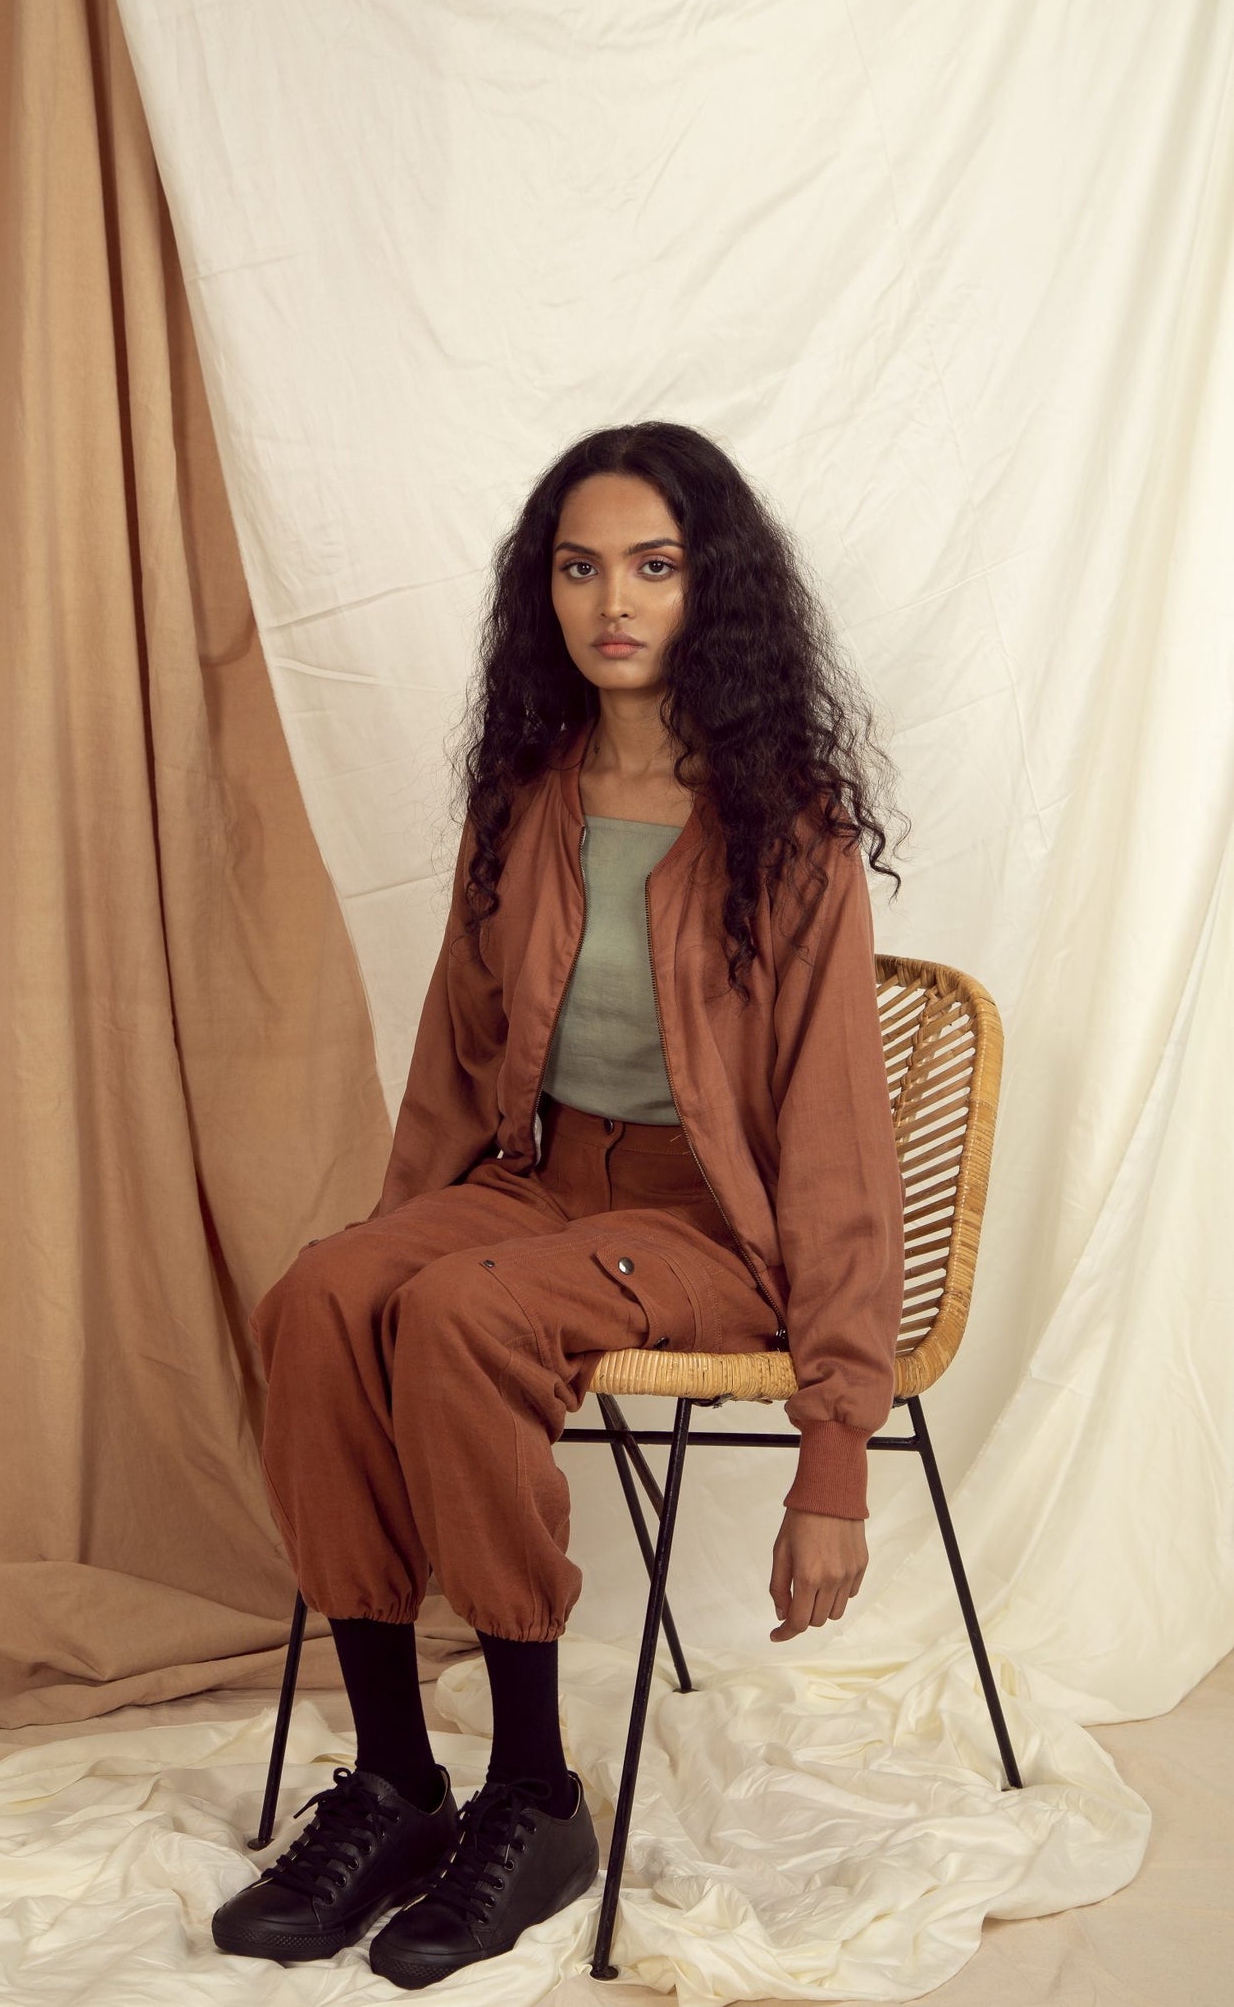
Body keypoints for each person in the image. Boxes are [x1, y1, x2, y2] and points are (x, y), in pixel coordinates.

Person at [212, 421, 908, 1985]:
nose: (615, 602)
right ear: (547, 592)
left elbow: (836, 1147)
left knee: (462, 1316)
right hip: (533, 1185)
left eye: (654, 566)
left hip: (711, 1225)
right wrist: (383, 1258)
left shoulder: (789, 828)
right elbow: (455, 1064)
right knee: (322, 1298)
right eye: (580, 569)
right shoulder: (527, 796)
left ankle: (534, 1796)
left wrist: (836, 1457)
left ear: (713, 588)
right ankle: (397, 1784)